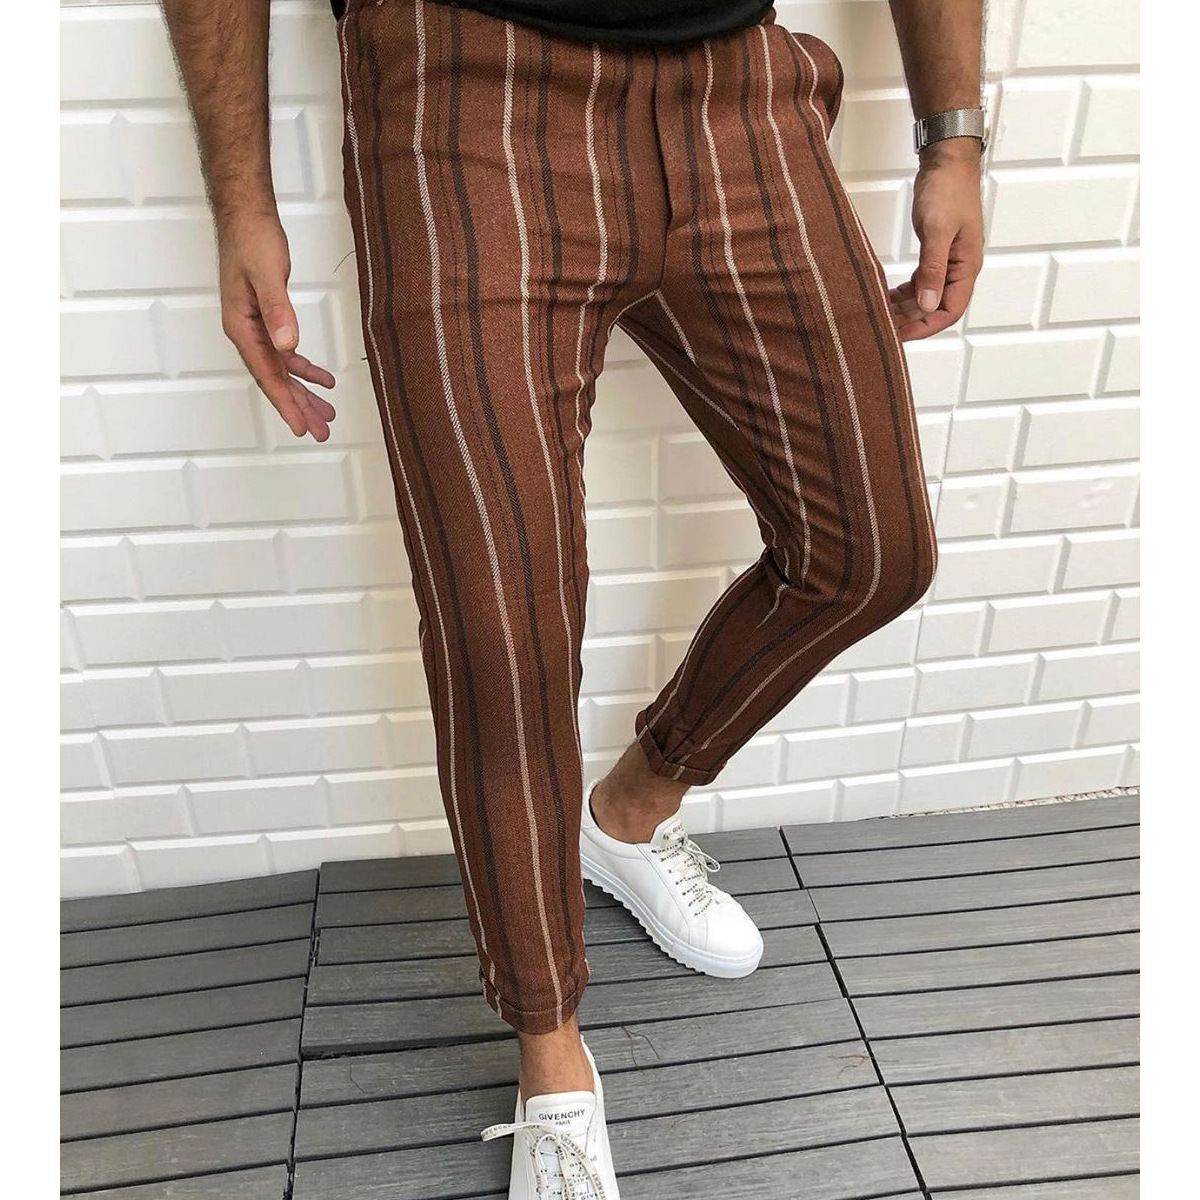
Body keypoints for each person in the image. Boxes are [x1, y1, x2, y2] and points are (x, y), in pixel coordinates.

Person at [160, 0, 984, 1194]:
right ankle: (551, 1055)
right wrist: (241, 203)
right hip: (463, 96)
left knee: (872, 554)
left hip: (739, 92)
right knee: (504, 635)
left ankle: (629, 815)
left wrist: (953, 138)